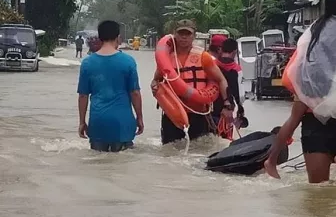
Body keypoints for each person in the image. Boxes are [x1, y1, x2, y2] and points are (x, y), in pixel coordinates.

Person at [264, 0, 336, 183]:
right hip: (315, 119)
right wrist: (314, 94)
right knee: (319, 189)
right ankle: (272, 160)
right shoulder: (334, 34)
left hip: (331, 107)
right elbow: (294, 72)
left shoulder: (320, 31)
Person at [150, 19, 230, 145]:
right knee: (170, 154)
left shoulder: (203, 57)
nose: (184, 37)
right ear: (174, 34)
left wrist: (227, 105)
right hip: (172, 117)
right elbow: (156, 80)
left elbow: (221, 80)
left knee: (199, 153)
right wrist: (154, 86)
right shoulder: (166, 59)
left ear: (194, 36)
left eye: (188, 34)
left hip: (198, 115)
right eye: (181, 33)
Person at [77, 20, 144, 152]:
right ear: (118, 38)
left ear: (100, 38)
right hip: (122, 123)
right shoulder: (128, 62)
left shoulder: (87, 63)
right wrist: (139, 118)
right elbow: (135, 93)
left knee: (98, 166)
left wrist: (82, 122)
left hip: (98, 122)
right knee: (121, 168)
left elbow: (83, 95)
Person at [210, 37, 245, 139]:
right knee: (225, 139)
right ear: (234, 52)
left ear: (221, 49)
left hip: (211, 108)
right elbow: (240, 95)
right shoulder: (236, 69)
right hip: (228, 111)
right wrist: (241, 112)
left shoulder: (212, 66)